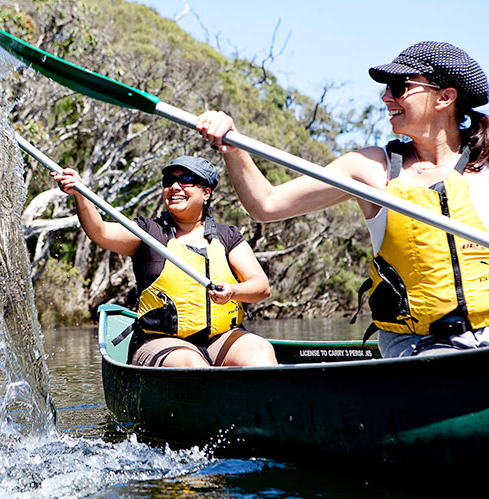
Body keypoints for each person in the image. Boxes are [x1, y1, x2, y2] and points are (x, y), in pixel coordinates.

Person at [196, 41, 489, 358]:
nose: (386, 97)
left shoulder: (484, 168)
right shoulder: (371, 169)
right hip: (420, 347)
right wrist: (234, 147)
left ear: (445, 97)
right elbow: (266, 205)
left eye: (399, 86)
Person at [51, 155, 278, 367]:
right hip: (159, 341)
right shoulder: (149, 233)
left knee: (261, 351)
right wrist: (80, 193)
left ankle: (265, 408)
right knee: (192, 363)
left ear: (206, 192)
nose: (175, 187)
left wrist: (233, 291)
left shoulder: (227, 236)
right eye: (169, 181)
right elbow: (99, 231)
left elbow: (261, 286)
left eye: (186, 180)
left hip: (219, 338)